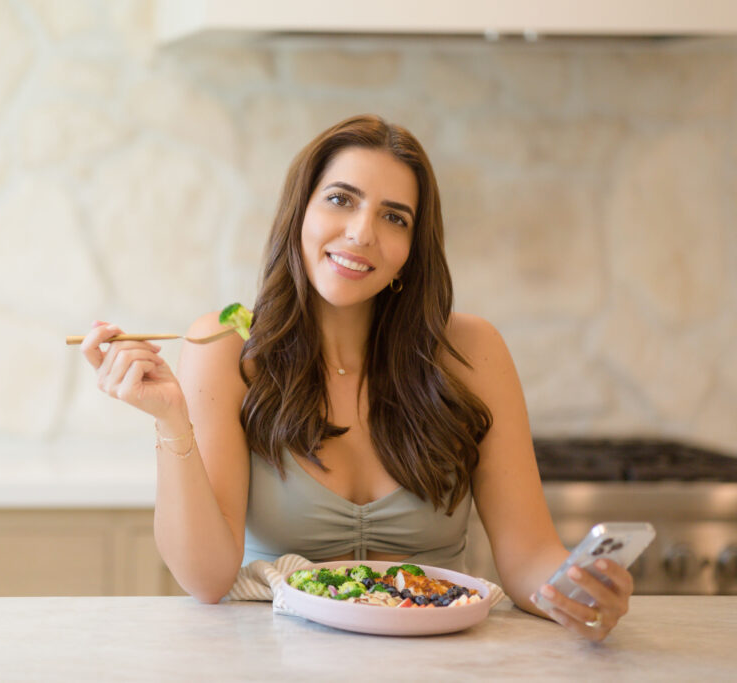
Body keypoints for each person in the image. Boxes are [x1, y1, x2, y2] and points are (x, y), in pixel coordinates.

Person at [79, 114, 632, 641]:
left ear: (411, 253)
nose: (362, 232)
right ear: (300, 213)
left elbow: (528, 555)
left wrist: (577, 591)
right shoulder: (226, 348)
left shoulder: (472, 351)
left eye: (395, 217)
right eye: (341, 199)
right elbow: (206, 579)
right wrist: (171, 421)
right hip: (276, 660)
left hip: (438, 662)